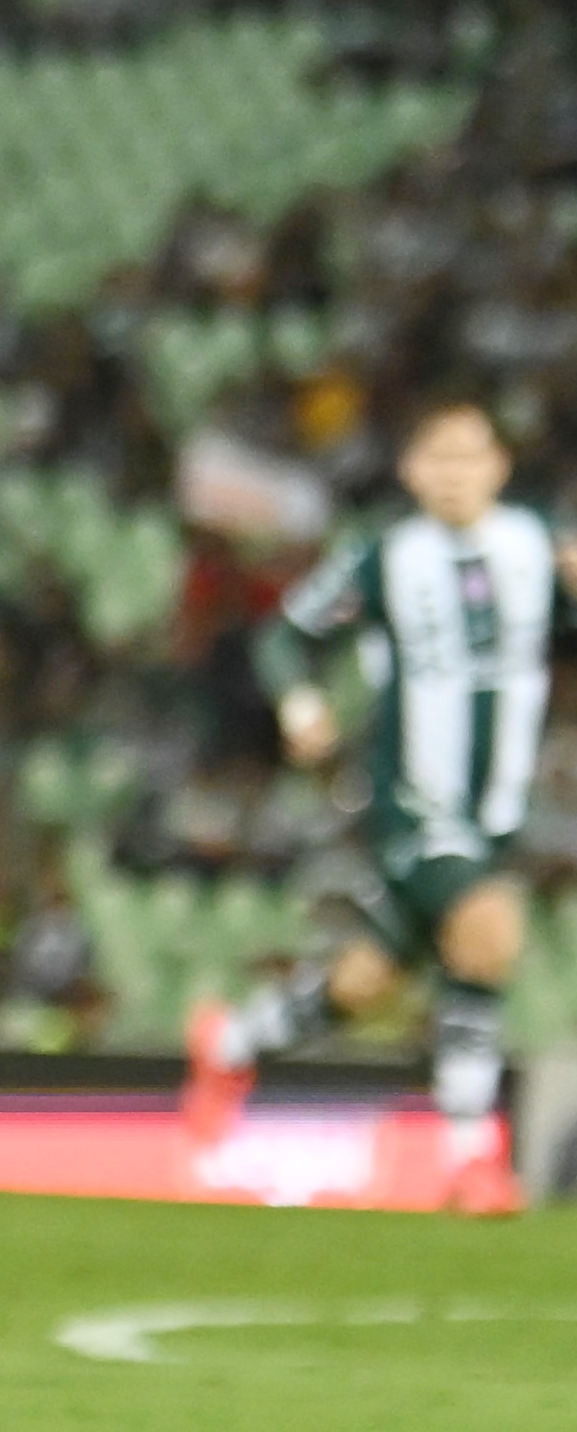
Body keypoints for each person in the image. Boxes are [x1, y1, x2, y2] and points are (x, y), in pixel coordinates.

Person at [186, 396, 577, 1151]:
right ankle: (470, 1148)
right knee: (489, 931)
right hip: (414, 798)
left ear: (499, 467)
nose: (457, 474)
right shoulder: (386, 557)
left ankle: (233, 1043)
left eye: (472, 457)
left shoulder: (534, 548)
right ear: (412, 471)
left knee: (367, 981)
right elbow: (283, 638)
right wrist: (301, 704)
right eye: (440, 458)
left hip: (497, 806)